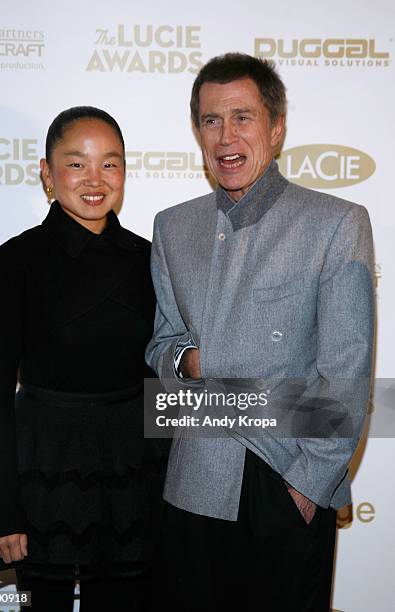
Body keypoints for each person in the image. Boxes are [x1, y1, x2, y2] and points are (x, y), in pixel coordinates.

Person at [145, 53, 375, 611]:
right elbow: (160, 345)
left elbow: (346, 372)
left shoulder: (335, 223)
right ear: (197, 130)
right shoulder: (173, 227)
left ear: (276, 126)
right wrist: (191, 363)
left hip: (284, 478)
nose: (226, 135)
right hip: (194, 481)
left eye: (243, 117)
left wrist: (305, 486)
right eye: (210, 120)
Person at [0, 106, 165, 611]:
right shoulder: (15, 262)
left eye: (111, 163)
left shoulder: (151, 260)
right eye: (77, 163)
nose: (95, 179)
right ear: (47, 173)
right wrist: (1, 510)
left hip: (132, 474)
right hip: (42, 474)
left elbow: (162, 377)